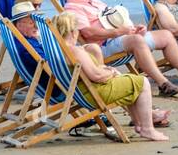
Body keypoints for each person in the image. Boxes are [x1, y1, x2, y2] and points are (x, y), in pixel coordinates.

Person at [51, 13, 170, 141]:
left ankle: (139, 124)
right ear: (73, 32)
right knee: (143, 82)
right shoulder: (75, 51)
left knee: (128, 81)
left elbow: (90, 73)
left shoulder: (58, 50)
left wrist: (104, 70)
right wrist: (110, 72)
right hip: (94, 94)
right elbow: (96, 76)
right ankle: (148, 129)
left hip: (82, 92)